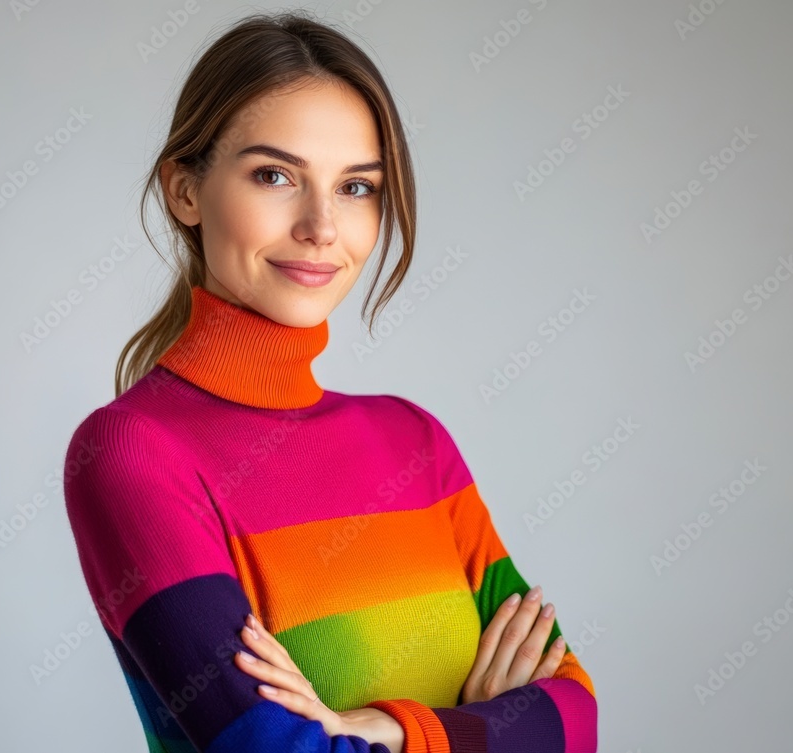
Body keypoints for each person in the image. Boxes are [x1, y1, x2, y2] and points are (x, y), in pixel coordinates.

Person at [62, 10, 597, 752]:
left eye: (356, 187)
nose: (322, 225)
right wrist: (483, 730)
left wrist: (387, 728)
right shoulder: (133, 453)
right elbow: (275, 749)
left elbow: (575, 716)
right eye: (274, 175)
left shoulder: (415, 438)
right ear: (185, 191)